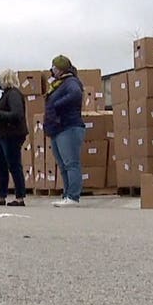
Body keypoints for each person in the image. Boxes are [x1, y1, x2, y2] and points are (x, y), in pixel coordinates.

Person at [44, 55, 85, 207]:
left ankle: (73, 196)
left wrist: (56, 105)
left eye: (54, 67)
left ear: (60, 69)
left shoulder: (71, 82)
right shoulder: (58, 84)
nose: (52, 70)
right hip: (57, 128)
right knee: (62, 165)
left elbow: (76, 94)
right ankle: (66, 195)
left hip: (69, 127)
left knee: (71, 163)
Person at [0, 69, 28, 207]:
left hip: (12, 135)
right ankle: (1, 196)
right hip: (3, 136)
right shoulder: (6, 95)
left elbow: (17, 114)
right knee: (2, 167)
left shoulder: (13, 95)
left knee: (14, 166)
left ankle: (20, 197)